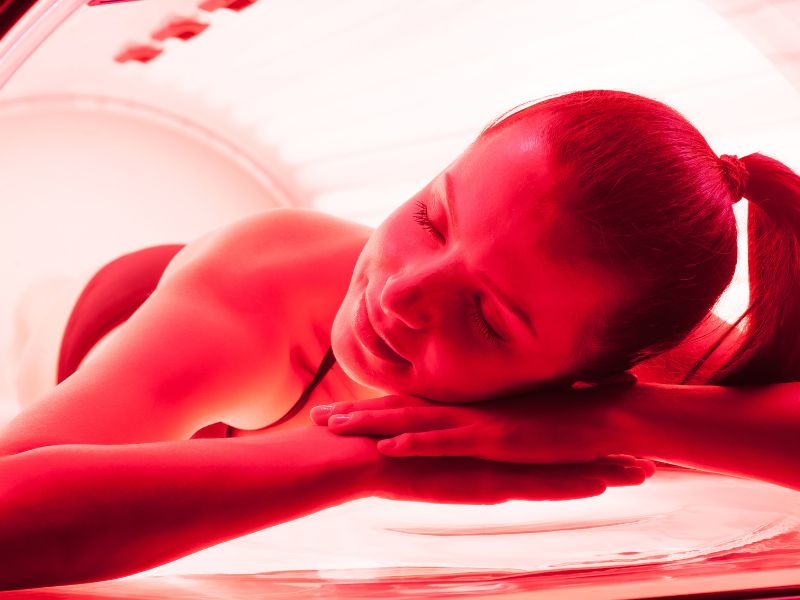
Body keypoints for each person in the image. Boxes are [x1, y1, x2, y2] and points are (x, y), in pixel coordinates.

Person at [0, 88, 797, 589]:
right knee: (37, 318)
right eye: (430, 217)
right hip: (120, 310)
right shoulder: (261, 280)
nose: (403, 291)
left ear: (594, 371)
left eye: (488, 315)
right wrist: (366, 454)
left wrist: (609, 421)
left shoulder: (640, 340)